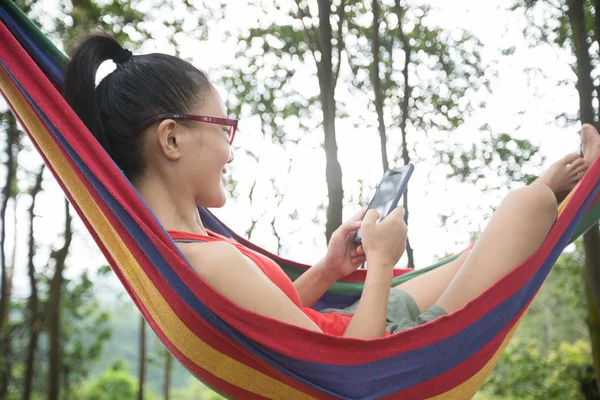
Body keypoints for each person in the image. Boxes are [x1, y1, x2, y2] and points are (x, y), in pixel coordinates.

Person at [63, 33, 600, 339]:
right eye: (224, 128)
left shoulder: (189, 247)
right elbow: (358, 375)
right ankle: (568, 192)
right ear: (172, 140)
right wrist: (384, 263)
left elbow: (273, 323)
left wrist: (328, 271)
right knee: (526, 206)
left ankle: (567, 194)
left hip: (345, 322)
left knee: (489, 245)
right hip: (387, 353)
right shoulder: (210, 258)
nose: (231, 147)